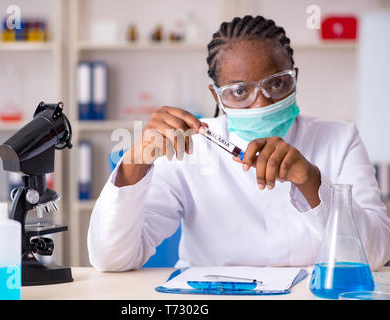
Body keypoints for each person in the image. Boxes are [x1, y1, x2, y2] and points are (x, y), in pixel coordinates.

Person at [87, 16, 390, 272]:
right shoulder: (190, 148)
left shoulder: (341, 138)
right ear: (216, 95)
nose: (260, 102)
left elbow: (377, 253)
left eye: (276, 84)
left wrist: (310, 180)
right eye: (239, 91)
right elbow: (111, 259)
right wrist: (136, 162)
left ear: (294, 79)